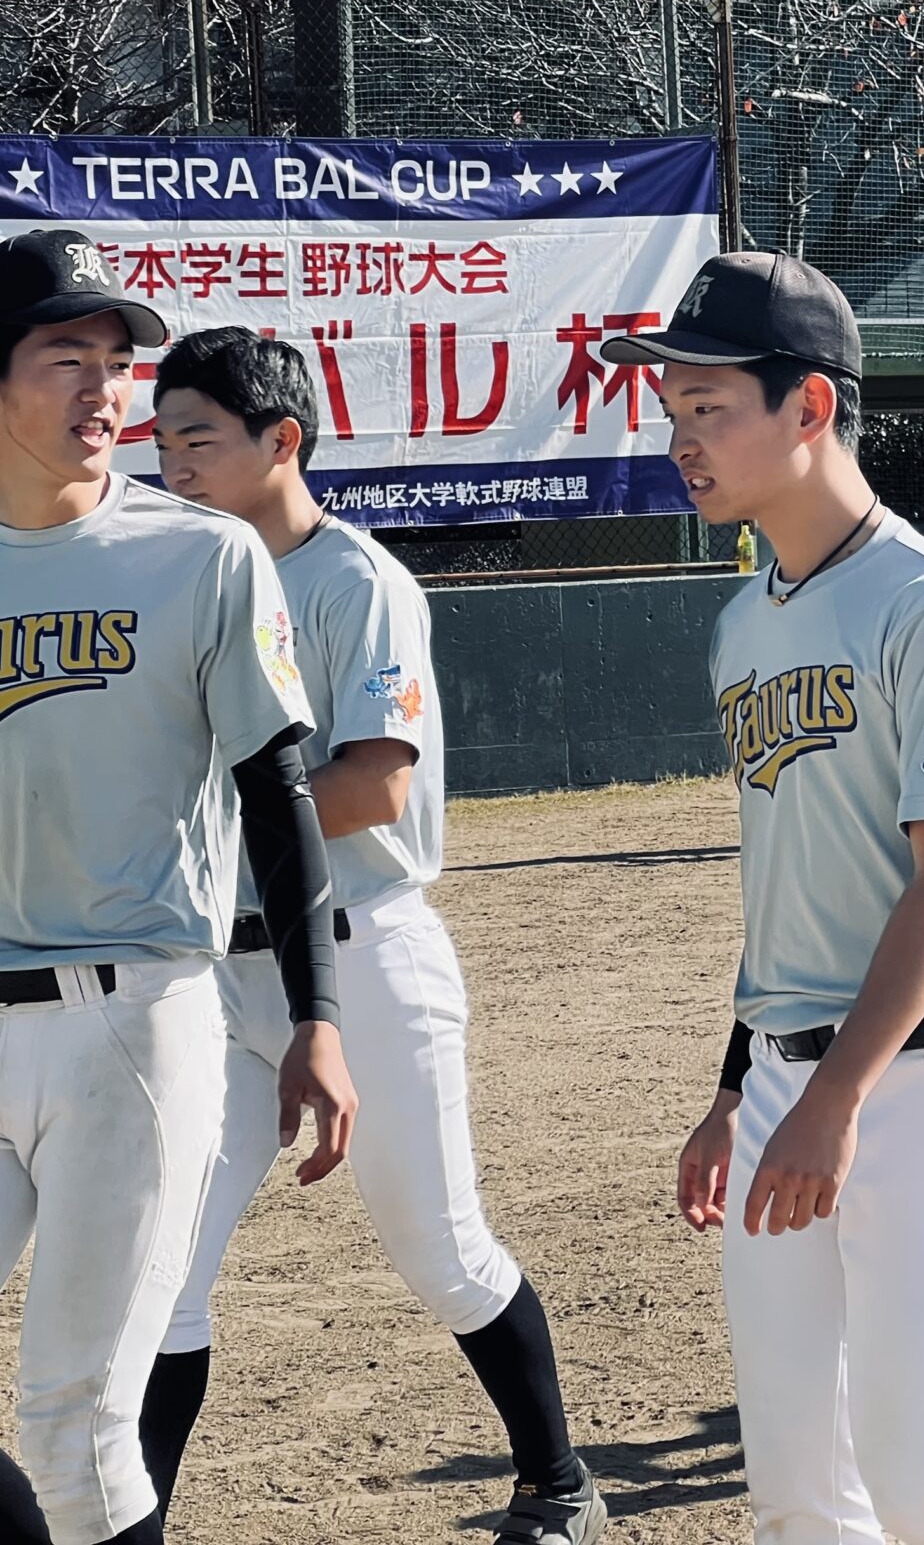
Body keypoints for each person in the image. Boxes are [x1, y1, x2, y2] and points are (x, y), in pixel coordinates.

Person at [610, 251, 924, 1545]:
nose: (682, 438)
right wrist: (740, 1089)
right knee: (797, 1495)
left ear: (812, 408)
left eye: (709, 405)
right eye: (672, 410)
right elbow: (786, 885)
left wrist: (835, 1097)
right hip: (790, 1077)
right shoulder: (744, 622)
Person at [140, 329, 605, 1544]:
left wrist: (172, 826)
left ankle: (557, 1482)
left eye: (199, 438)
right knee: (165, 1268)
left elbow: (371, 788)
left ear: (281, 441)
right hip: (213, 965)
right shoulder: (184, 574)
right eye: (163, 440)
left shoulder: (356, 582)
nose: (173, 463)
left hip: (363, 947)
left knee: (440, 1246)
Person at [0, 229, 354, 1545]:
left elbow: (280, 789)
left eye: (115, 362)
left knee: (77, 1420)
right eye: (65, 357)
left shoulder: (199, 558)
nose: (106, 388)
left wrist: (316, 1017)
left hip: (133, 1019)